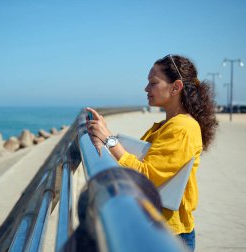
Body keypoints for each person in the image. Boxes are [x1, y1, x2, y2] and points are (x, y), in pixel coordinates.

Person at [86, 54, 218, 251]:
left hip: (170, 235)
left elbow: (146, 176)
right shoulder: (167, 125)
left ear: (176, 87)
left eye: (153, 83)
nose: (146, 89)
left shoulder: (183, 128)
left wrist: (109, 140)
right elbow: (138, 160)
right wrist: (103, 136)